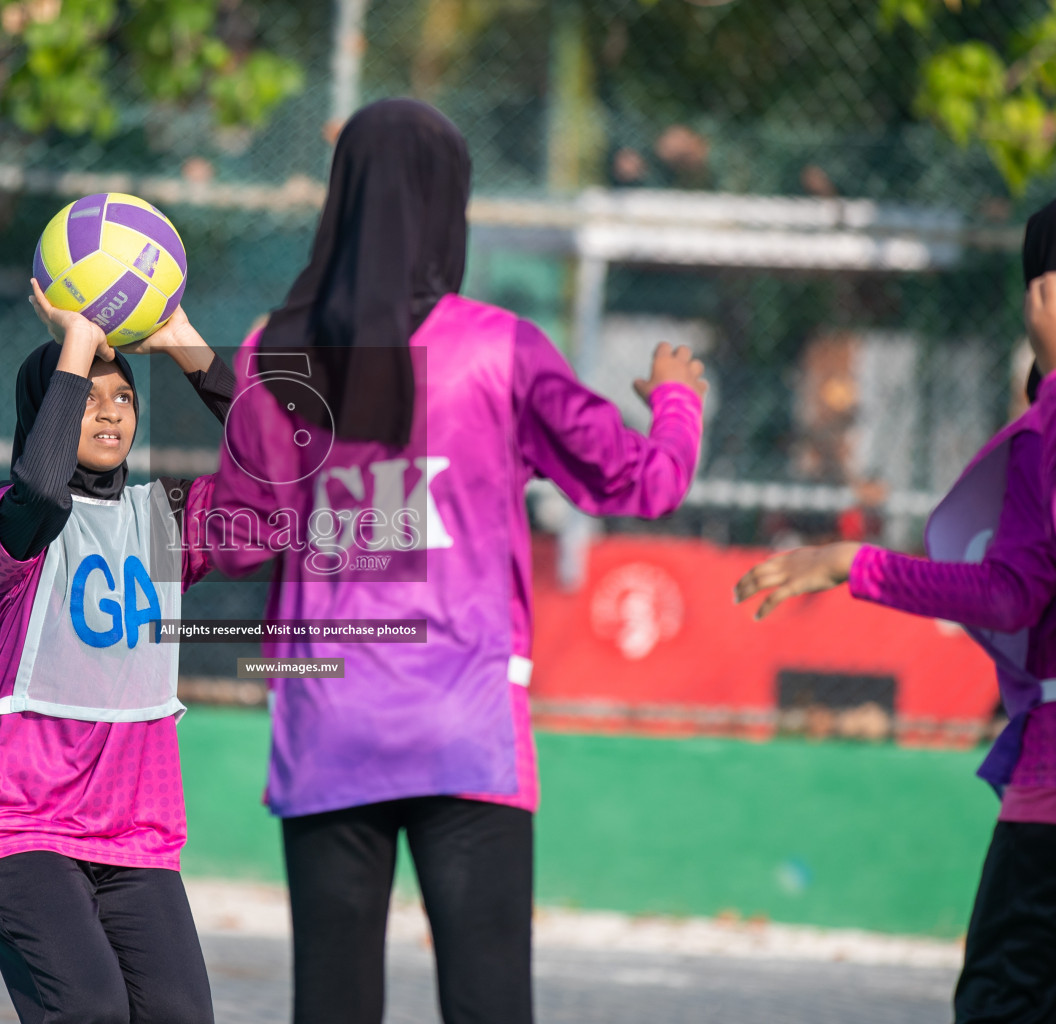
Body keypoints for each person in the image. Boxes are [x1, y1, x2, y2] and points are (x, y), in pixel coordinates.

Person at [206, 98, 708, 1024]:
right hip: (464, 716)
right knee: (487, 1000)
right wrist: (676, 401)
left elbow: (239, 534)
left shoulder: (273, 353)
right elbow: (642, 483)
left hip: (325, 714)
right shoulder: (499, 347)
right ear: (451, 206)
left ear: (342, 198)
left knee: (331, 1001)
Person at [737, 199, 1056, 1024]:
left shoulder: (1044, 437)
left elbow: (1006, 594)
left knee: (1003, 1001)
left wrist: (854, 563)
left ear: (1044, 296)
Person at [0, 278, 234, 1024]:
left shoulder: (164, 517)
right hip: (17, 821)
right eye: (88, 395)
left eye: (124, 397)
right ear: (48, 413)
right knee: (92, 1010)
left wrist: (186, 346)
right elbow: (41, 488)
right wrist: (75, 339)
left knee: (180, 1015)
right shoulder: (7, 527)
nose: (108, 410)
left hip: (134, 830)